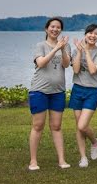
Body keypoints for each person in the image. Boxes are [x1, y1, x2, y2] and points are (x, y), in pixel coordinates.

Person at [28, 17, 71, 171]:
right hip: (39, 90)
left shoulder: (65, 46)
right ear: (46, 29)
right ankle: (33, 161)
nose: (55, 29)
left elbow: (66, 64)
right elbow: (41, 63)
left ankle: (62, 160)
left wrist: (63, 48)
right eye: (52, 27)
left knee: (57, 126)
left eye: (58, 27)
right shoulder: (40, 46)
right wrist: (55, 48)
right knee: (38, 125)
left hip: (58, 91)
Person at [70, 23, 97, 167]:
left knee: (82, 125)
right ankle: (83, 157)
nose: (92, 36)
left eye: (96, 34)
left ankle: (95, 141)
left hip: (92, 90)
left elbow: (92, 70)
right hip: (77, 89)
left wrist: (86, 52)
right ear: (85, 34)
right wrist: (79, 52)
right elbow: (76, 69)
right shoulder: (75, 50)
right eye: (90, 33)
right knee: (79, 126)